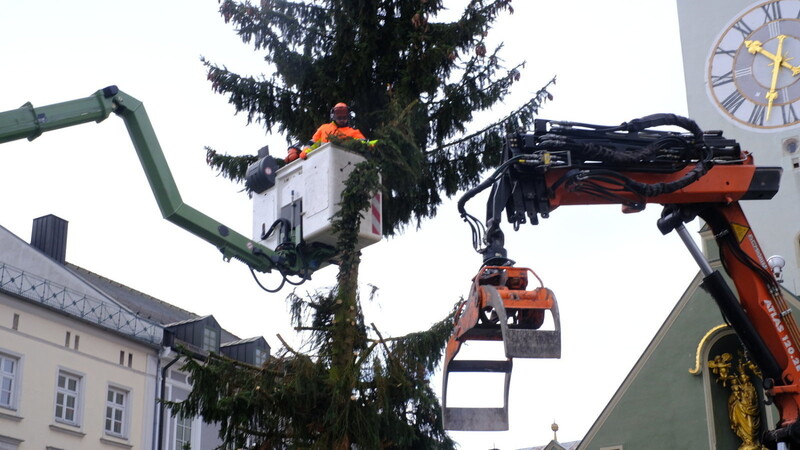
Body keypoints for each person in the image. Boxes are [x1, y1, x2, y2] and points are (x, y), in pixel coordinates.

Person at [285, 102, 366, 163]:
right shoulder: (324, 128)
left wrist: (375, 144)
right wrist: (305, 151)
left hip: (343, 162)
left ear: (348, 117)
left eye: (344, 116)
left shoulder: (354, 132)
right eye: (339, 116)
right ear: (333, 116)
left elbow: (364, 145)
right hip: (322, 161)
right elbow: (313, 142)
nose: (341, 119)